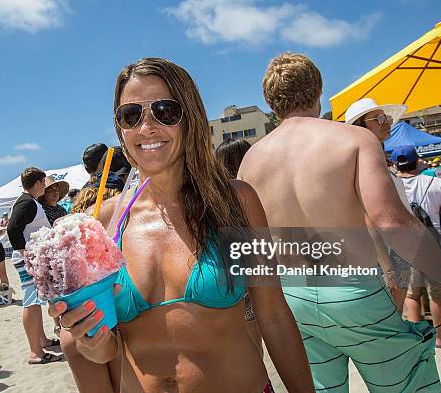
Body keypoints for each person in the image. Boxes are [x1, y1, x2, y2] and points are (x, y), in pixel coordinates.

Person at [51, 57, 313, 392]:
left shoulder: (236, 202)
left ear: (189, 118)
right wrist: (91, 342)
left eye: (165, 111)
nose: (147, 127)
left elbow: (273, 315)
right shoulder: (102, 225)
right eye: (131, 115)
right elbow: (109, 347)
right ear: (120, 128)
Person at [238, 52, 441, 392]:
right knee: (404, 382)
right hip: (353, 291)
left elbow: (253, 246)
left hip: (292, 295)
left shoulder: (251, 159)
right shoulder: (353, 140)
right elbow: (393, 222)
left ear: (271, 102)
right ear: (318, 91)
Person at [345, 98, 412, 312]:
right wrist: (388, 266)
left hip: (395, 253)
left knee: (394, 319)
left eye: (387, 117)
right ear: (360, 127)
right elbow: (367, 217)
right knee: (389, 321)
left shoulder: (376, 163)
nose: (387, 122)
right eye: (379, 118)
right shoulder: (360, 167)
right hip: (381, 259)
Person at [392, 145, 441, 349]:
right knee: (439, 293)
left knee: (413, 293)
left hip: (406, 246)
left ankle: (417, 337)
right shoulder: (436, 182)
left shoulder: (392, 185)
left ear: (397, 164)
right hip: (438, 244)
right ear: (418, 160)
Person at [7, 167, 62, 364]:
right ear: (38, 183)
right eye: (43, 183)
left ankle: (42, 340)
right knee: (32, 303)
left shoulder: (28, 201)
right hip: (27, 259)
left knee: (36, 301)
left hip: (30, 258)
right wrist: (23, 251)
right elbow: (12, 227)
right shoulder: (27, 202)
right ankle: (35, 352)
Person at [215, 137, 263, 356]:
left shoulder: (217, 199)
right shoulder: (251, 193)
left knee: (246, 339)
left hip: (232, 278)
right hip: (257, 274)